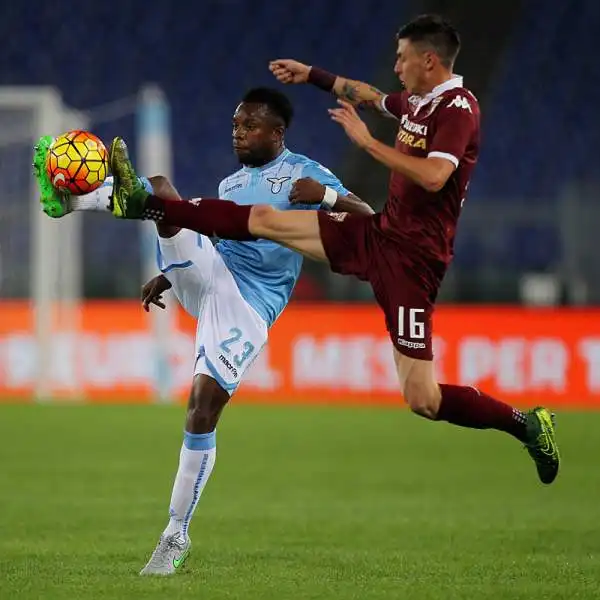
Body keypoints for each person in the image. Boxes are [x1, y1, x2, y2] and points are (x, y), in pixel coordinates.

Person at [105, 14, 560, 487]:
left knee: (422, 398)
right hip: (377, 233)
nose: (396, 65)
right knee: (265, 219)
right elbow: (367, 94)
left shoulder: (458, 110)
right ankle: (149, 203)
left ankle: (527, 425)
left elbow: (433, 177)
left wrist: (365, 141)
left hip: (412, 261)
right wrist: (313, 76)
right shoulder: (419, 101)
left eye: (402, 57)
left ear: (429, 60)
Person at [32, 86, 373, 576]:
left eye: (248, 126)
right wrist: (171, 273)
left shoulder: (305, 173)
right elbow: (213, 235)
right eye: (235, 125)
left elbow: (369, 220)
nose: (237, 133)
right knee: (163, 190)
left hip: (249, 305)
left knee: (201, 406)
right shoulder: (231, 184)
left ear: (277, 133)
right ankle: (77, 201)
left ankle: (175, 534)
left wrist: (328, 196)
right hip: (209, 272)